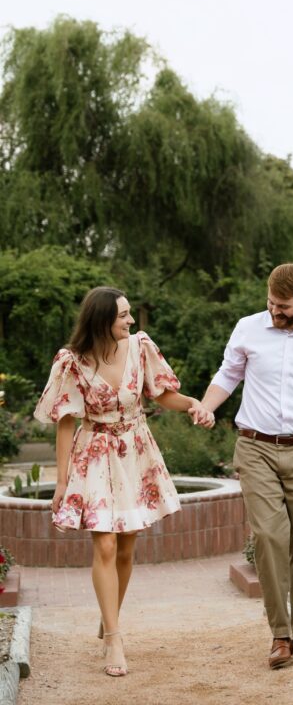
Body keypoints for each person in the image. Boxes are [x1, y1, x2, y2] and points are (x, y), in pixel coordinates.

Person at [34, 286, 214, 677]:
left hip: (135, 451)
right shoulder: (70, 362)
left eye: (129, 314)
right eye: (123, 316)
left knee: (127, 551)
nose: (131, 321)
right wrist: (61, 482)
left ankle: (108, 614)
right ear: (102, 320)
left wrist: (193, 404)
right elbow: (65, 423)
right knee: (105, 544)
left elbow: (163, 395)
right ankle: (114, 638)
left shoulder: (140, 347)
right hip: (94, 452)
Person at [199, 262, 293, 670]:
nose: (275, 312)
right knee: (269, 537)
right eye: (271, 303)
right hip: (256, 447)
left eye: (283, 306)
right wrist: (206, 407)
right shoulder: (248, 328)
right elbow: (228, 374)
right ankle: (280, 635)